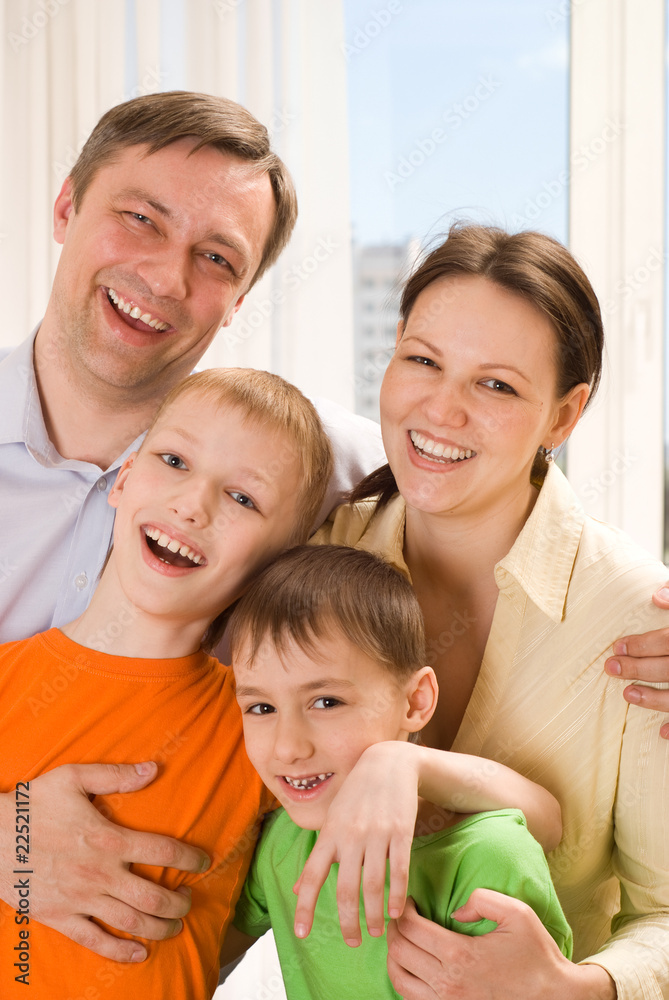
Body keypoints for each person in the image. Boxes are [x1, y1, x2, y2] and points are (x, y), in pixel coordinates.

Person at [0, 90, 385, 960]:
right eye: (139, 218)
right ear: (65, 206)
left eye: (216, 258)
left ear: (240, 298)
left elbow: (476, 470)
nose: (168, 278)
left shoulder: (298, 457)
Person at [309, 224, 669, 999]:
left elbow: (665, 911)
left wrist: (573, 985)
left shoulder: (635, 619)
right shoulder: (312, 563)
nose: (441, 410)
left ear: (563, 417)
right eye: (422, 361)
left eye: (496, 385)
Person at [0, 365, 333, 998]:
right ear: (123, 480)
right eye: (175, 460)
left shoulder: (259, 729)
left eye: (243, 498)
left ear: (277, 563)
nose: (192, 504)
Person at [218, 544, 572, 999]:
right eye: (261, 707)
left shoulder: (490, 857)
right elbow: (187, 953)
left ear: (415, 701)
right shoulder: (283, 843)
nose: (288, 748)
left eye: (326, 702)